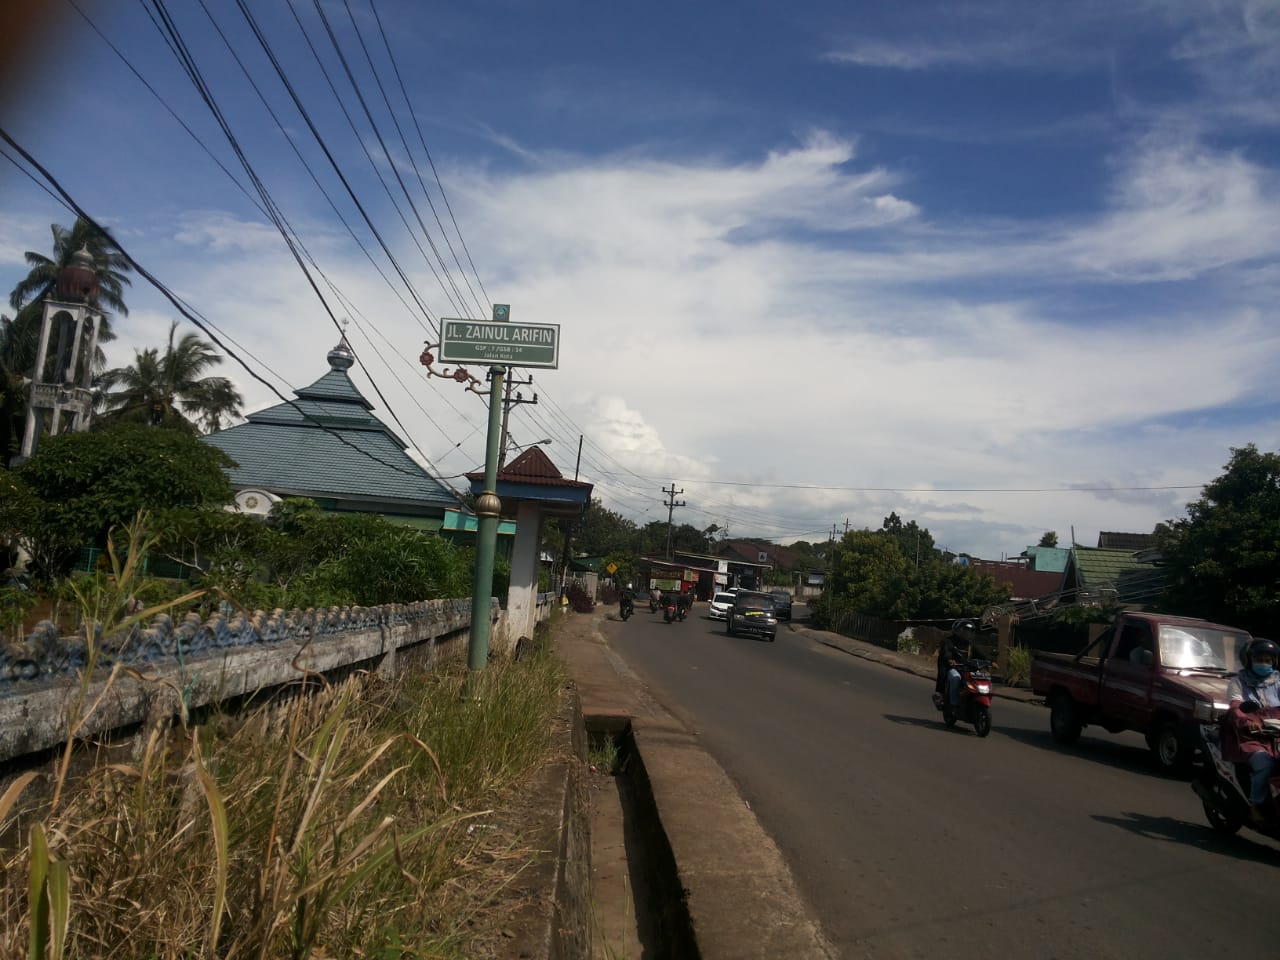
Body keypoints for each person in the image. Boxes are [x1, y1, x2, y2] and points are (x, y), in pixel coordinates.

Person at [1223, 638, 1280, 823]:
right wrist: (1248, 721)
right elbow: (1236, 707)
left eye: (1267, 660)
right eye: (1259, 659)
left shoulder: (1278, 681)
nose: (1264, 663)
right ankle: (1256, 805)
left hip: (1276, 736)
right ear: (1249, 660)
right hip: (1249, 736)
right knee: (1265, 765)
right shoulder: (1238, 682)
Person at [937, 619, 977, 707]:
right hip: (953, 668)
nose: (967, 633)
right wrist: (950, 659)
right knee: (955, 678)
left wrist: (990, 661)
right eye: (965, 631)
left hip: (967, 669)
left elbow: (980, 654)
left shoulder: (970, 644)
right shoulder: (948, 641)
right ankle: (953, 703)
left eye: (969, 631)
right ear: (958, 630)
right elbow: (946, 652)